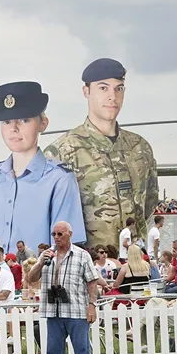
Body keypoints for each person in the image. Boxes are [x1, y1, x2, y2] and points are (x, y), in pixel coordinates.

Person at [44, 58, 159, 251]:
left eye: (119, 88)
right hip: (88, 268)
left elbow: (149, 203)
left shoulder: (140, 148)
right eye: (103, 88)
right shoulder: (62, 152)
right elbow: (51, 218)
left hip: (136, 264)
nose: (112, 97)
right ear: (86, 91)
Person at [0, 81, 86, 254]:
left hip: (36, 278)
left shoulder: (59, 179)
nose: (14, 128)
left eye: (24, 120)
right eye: (6, 121)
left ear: (43, 124)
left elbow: (64, 249)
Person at [27, 221, 104, 354]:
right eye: (53, 234)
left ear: (69, 234)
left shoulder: (82, 255)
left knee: (81, 350)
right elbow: (31, 278)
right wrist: (40, 262)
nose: (56, 237)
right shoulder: (47, 255)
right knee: (53, 351)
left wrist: (92, 305)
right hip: (53, 310)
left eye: (60, 234)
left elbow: (92, 282)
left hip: (76, 310)